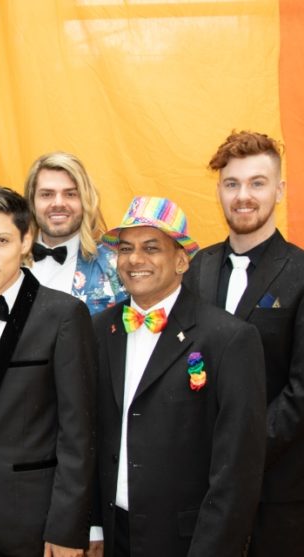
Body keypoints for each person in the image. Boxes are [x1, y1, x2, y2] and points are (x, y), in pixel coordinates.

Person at [93, 196, 266, 556]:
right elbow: (88, 436)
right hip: (112, 535)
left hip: (188, 541)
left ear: (181, 260)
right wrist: (92, 524)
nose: (134, 260)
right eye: (126, 248)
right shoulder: (98, 330)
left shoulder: (228, 338)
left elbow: (238, 468)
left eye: (151, 248)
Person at [0, 186, 96, 557]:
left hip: (34, 523)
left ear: (26, 240)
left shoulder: (64, 315)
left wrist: (68, 527)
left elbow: (79, 434)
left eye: (1, 240)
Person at [183, 131, 304, 556]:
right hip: (200, 488)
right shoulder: (198, 266)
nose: (243, 196)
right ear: (219, 190)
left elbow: (300, 391)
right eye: (232, 184)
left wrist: (240, 447)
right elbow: (188, 359)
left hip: (277, 492)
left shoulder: (301, 272)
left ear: (279, 190)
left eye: (257, 183)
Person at [24, 152, 125, 314]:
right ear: (32, 202)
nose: (58, 203)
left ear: (85, 200)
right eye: (46, 194)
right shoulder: (8, 263)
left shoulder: (115, 266)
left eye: (70, 194)